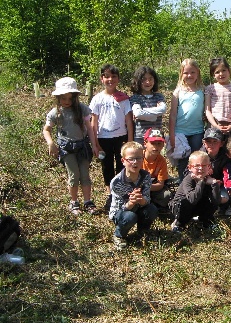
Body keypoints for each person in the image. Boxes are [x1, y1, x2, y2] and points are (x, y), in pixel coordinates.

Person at [43, 77, 99, 215]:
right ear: (58, 98)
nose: (67, 102)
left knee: (85, 175)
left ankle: (87, 201)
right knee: (74, 174)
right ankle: (74, 202)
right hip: (67, 149)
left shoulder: (82, 109)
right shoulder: (56, 112)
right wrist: (51, 143)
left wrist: (94, 145)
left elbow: (89, 128)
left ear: (75, 97)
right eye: (63, 98)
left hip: (82, 146)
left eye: (70, 98)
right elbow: (46, 129)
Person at [90, 64, 133, 210]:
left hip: (121, 136)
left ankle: (121, 192)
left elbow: (129, 120)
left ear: (118, 79)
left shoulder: (123, 98)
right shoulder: (97, 99)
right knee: (107, 166)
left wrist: (130, 141)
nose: (110, 79)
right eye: (107, 76)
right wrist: (95, 143)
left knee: (122, 165)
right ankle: (110, 194)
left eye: (114, 76)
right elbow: (94, 122)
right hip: (103, 138)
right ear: (102, 79)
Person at [109, 142, 158, 250]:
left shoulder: (146, 176)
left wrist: (141, 200)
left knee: (152, 209)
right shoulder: (117, 182)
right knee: (129, 217)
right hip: (121, 211)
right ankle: (119, 235)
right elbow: (118, 208)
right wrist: (130, 203)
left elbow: (147, 198)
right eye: (131, 159)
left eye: (139, 158)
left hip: (139, 207)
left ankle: (143, 231)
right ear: (123, 161)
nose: (135, 162)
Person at [169, 58, 205, 181]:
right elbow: (172, 114)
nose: (189, 75)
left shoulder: (202, 90)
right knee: (183, 161)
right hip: (180, 132)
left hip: (197, 131)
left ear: (198, 73)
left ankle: (196, 185)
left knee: (197, 159)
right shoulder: (178, 91)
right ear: (181, 74)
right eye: (186, 72)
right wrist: (172, 134)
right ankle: (182, 186)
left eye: (192, 72)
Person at [169, 151, 221, 234]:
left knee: (209, 200)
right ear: (190, 167)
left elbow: (216, 202)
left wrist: (214, 184)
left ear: (209, 167)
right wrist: (201, 182)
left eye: (204, 165)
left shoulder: (209, 179)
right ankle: (178, 224)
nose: (201, 168)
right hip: (181, 207)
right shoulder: (188, 179)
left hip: (196, 205)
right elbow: (192, 199)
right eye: (197, 166)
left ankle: (205, 221)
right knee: (185, 202)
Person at [204, 57, 231, 140]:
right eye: (217, 72)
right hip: (214, 124)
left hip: (230, 124)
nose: (221, 74)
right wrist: (215, 125)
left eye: (224, 70)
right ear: (213, 75)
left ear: (229, 71)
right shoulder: (210, 89)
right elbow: (207, 110)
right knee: (213, 149)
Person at [130, 66, 166, 145]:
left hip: (156, 134)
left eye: (150, 79)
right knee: (140, 156)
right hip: (140, 136)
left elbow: (163, 109)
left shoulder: (159, 96)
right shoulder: (135, 98)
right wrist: (155, 115)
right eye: (144, 79)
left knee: (155, 157)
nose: (147, 82)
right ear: (138, 81)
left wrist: (144, 112)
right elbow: (138, 113)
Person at [200, 127, 231, 213]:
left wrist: (219, 181)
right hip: (203, 185)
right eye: (208, 141)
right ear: (203, 143)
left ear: (221, 143)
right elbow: (188, 173)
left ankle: (223, 207)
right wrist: (205, 179)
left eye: (215, 141)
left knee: (224, 198)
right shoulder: (198, 156)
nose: (211, 144)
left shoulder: (226, 157)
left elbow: (230, 174)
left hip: (220, 186)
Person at [141, 128, 171, 211]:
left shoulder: (162, 161)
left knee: (167, 195)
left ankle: (152, 203)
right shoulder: (138, 157)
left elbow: (160, 184)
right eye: (152, 143)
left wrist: (146, 188)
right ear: (145, 143)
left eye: (159, 143)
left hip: (151, 187)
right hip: (137, 187)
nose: (156, 146)